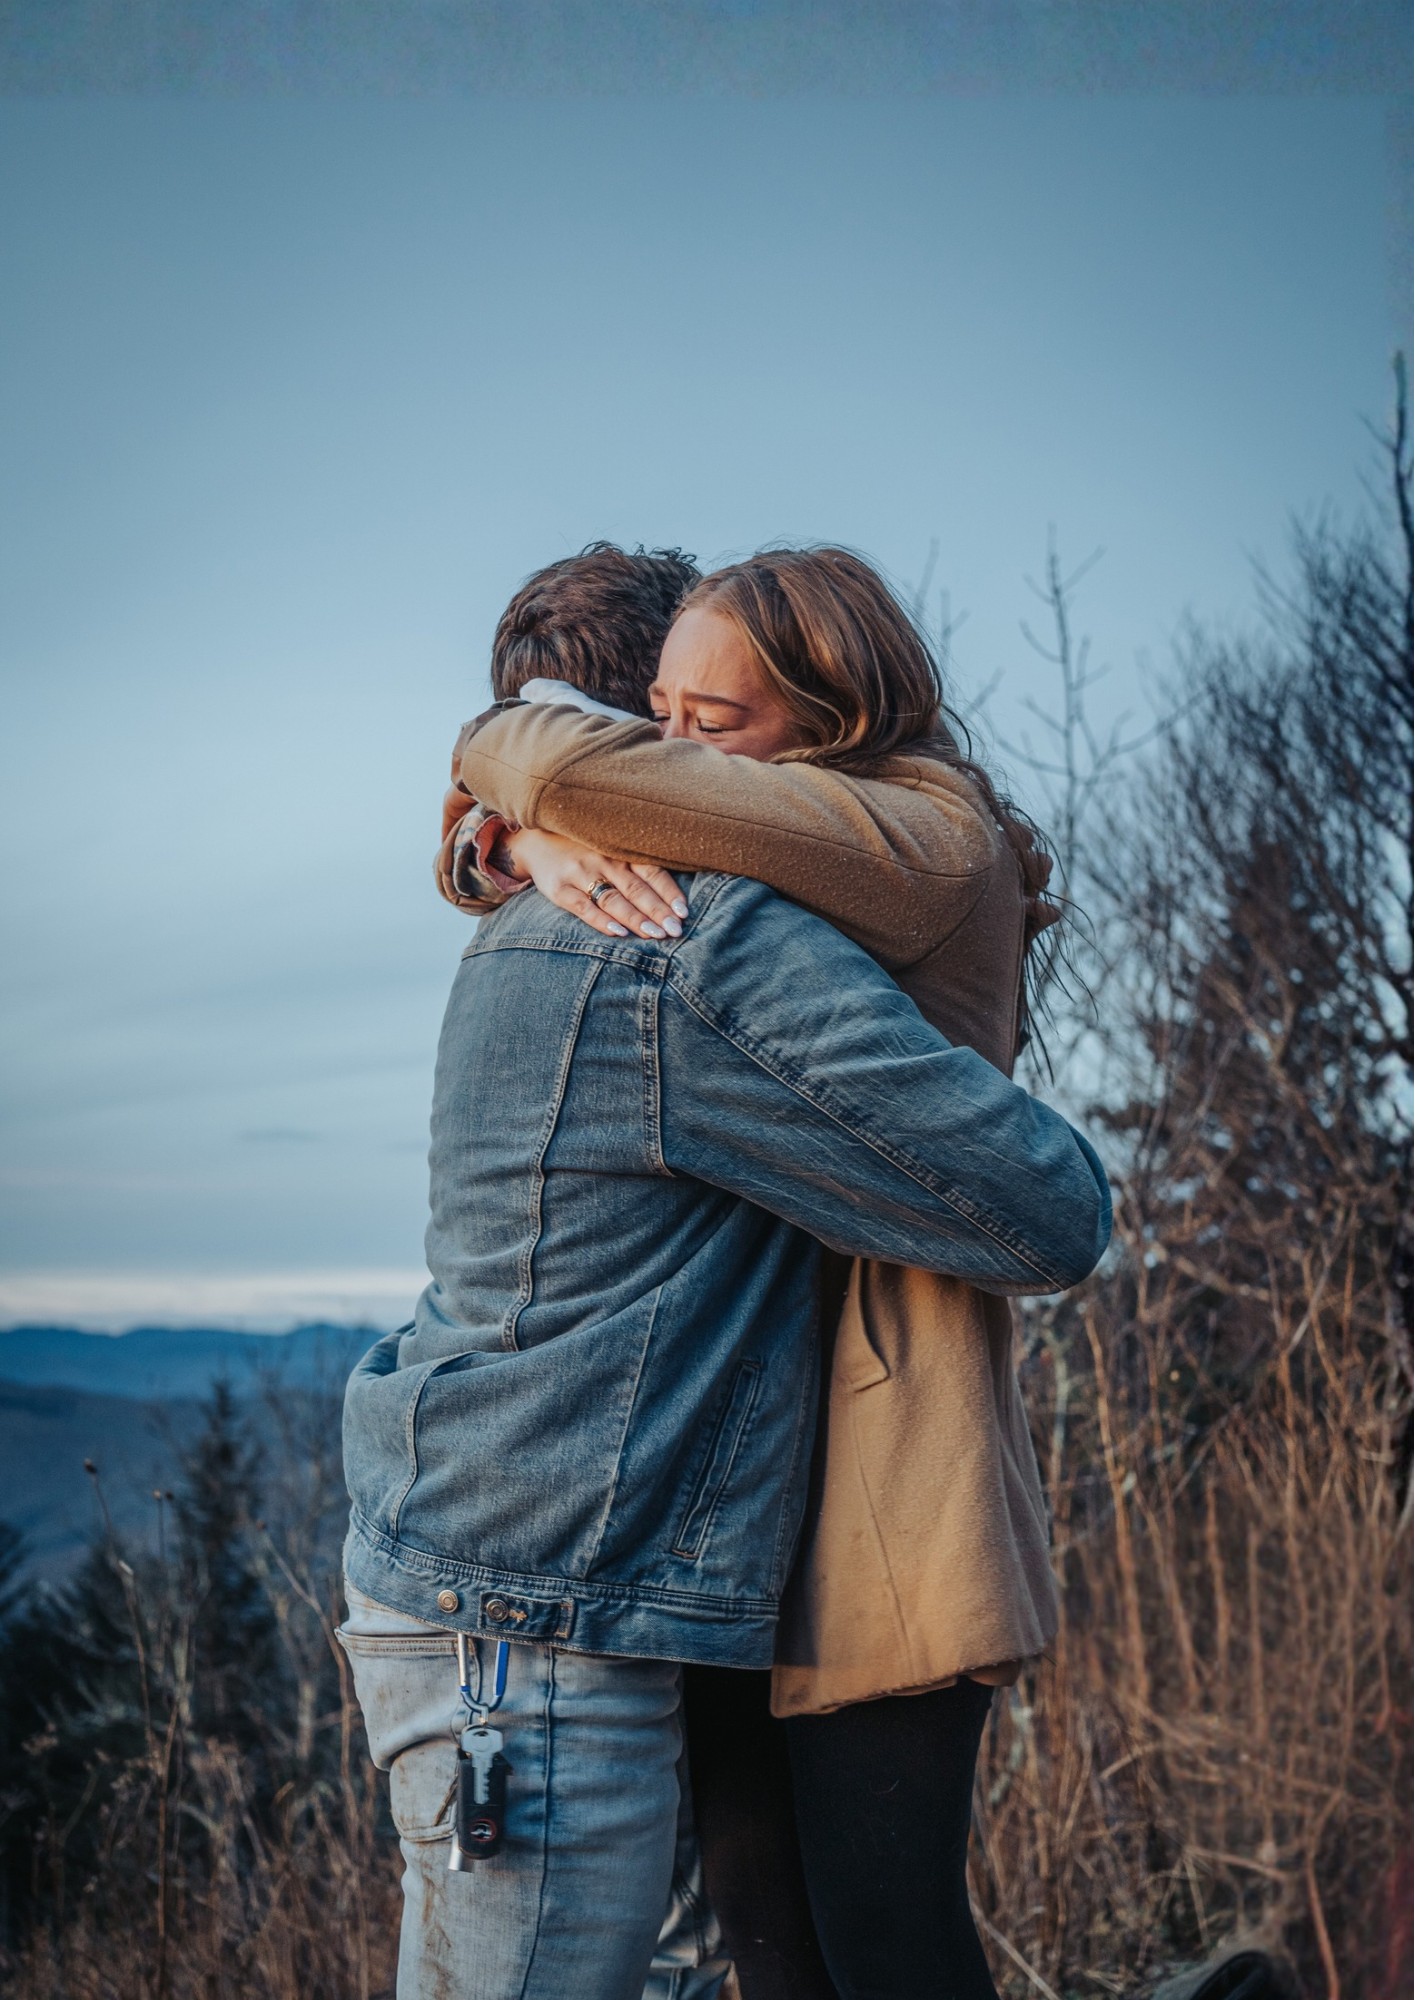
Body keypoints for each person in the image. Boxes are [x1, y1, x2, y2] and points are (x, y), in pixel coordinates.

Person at [340, 543, 1112, 2000]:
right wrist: (507, 834)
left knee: (871, 1941)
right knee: (765, 1936)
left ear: (822, 724)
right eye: (657, 722)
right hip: (725, 1469)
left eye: (708, 726)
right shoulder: (688, 900)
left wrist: (518, 788)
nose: (675, 762)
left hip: (868, 1446)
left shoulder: (885, 846)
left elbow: (1052, 1208)